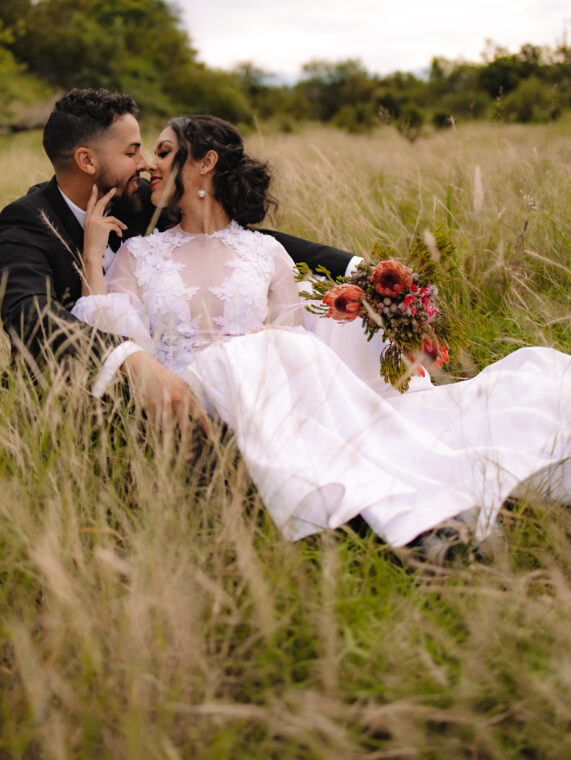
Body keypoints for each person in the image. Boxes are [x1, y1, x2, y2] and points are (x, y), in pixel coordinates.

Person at [72, 114, 571, 551]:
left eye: (164, 152)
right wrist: (94, 255)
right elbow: (119, 332)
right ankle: (417, 524)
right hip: (196, 389)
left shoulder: (264, 252)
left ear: (205, 163)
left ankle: (430, 515)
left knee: (278, 358)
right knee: (247, 359)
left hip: (270, 384)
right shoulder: (141, 253)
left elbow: (293, 333)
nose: (150, 166)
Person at [0, 89, 359, 423]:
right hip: (79, 400)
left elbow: (231, 240)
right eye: (131, 151)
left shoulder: (138, 200)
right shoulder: (27, 221)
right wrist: (128, 359)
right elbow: (28, 313)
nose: (145, 163)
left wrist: (355, 268)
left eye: (154, 152)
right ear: (87, 161)